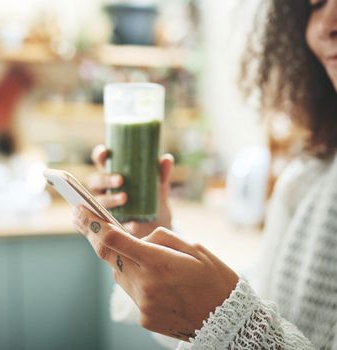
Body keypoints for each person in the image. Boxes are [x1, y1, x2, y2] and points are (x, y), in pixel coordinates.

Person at [73, 0, 337, 348]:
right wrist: (153, 232)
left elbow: (249, 323)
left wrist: (231, 321)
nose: (327, 23)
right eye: (316, 3)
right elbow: (266, 312)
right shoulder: (308, 180)